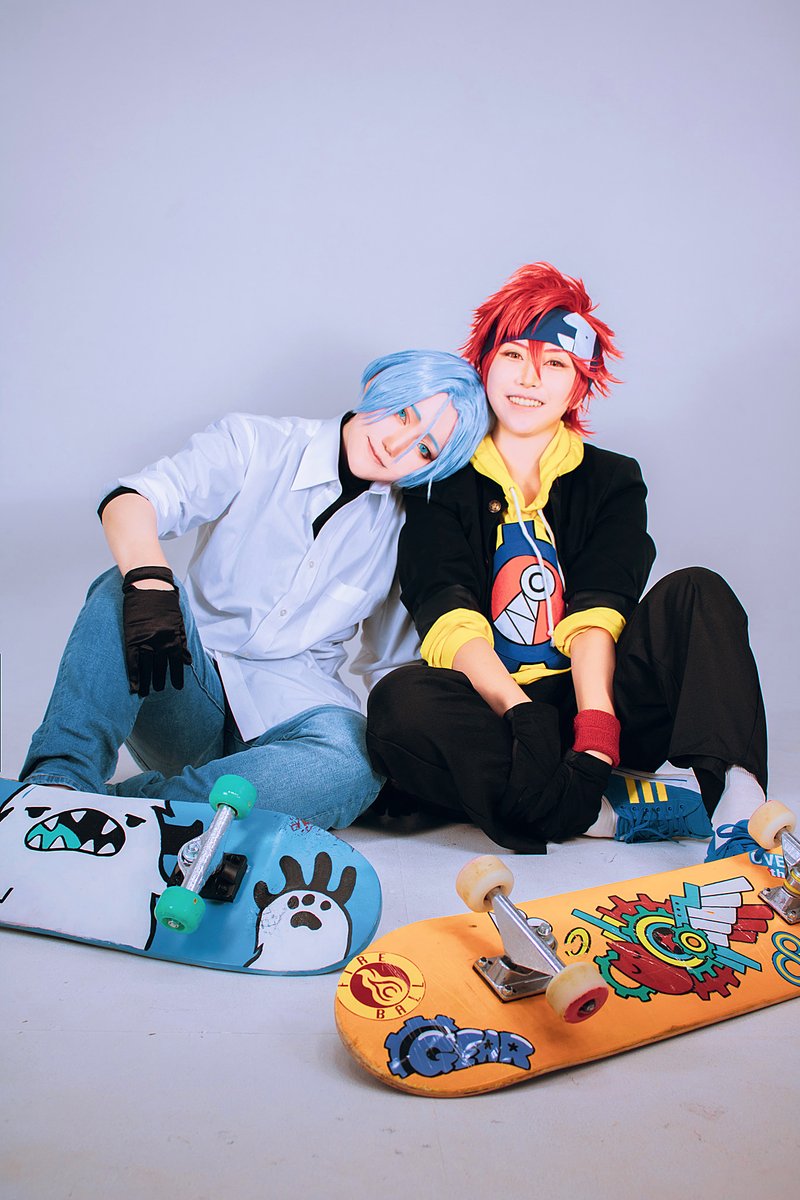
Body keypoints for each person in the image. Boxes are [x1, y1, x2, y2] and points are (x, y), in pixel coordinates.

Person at [366, 264, 775, 858]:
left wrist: (597, 730)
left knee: (698, 591)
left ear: (579, 386)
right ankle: (598, 812)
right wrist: (520, 714)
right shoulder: (441, 477)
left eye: (555, 363)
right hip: (495, 713)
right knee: (398, 705)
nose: (529, 378)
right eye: (513, 355)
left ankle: (740, 804)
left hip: (598, 697)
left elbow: (600, 608)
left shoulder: (613, 478)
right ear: (484, 364)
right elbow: (446, 611)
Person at [19, 349, 489, 829]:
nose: (396, 445)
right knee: (123, 589)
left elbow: (390, 665)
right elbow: (133, 499)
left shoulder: (406, 529)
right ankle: (56, 789)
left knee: (354, 759)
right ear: (377, 385)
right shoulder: (255, 443)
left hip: (290, 726)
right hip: (183, 688)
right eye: (403, 413)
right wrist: (150, 584)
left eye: (425, 450)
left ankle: (128, 812)